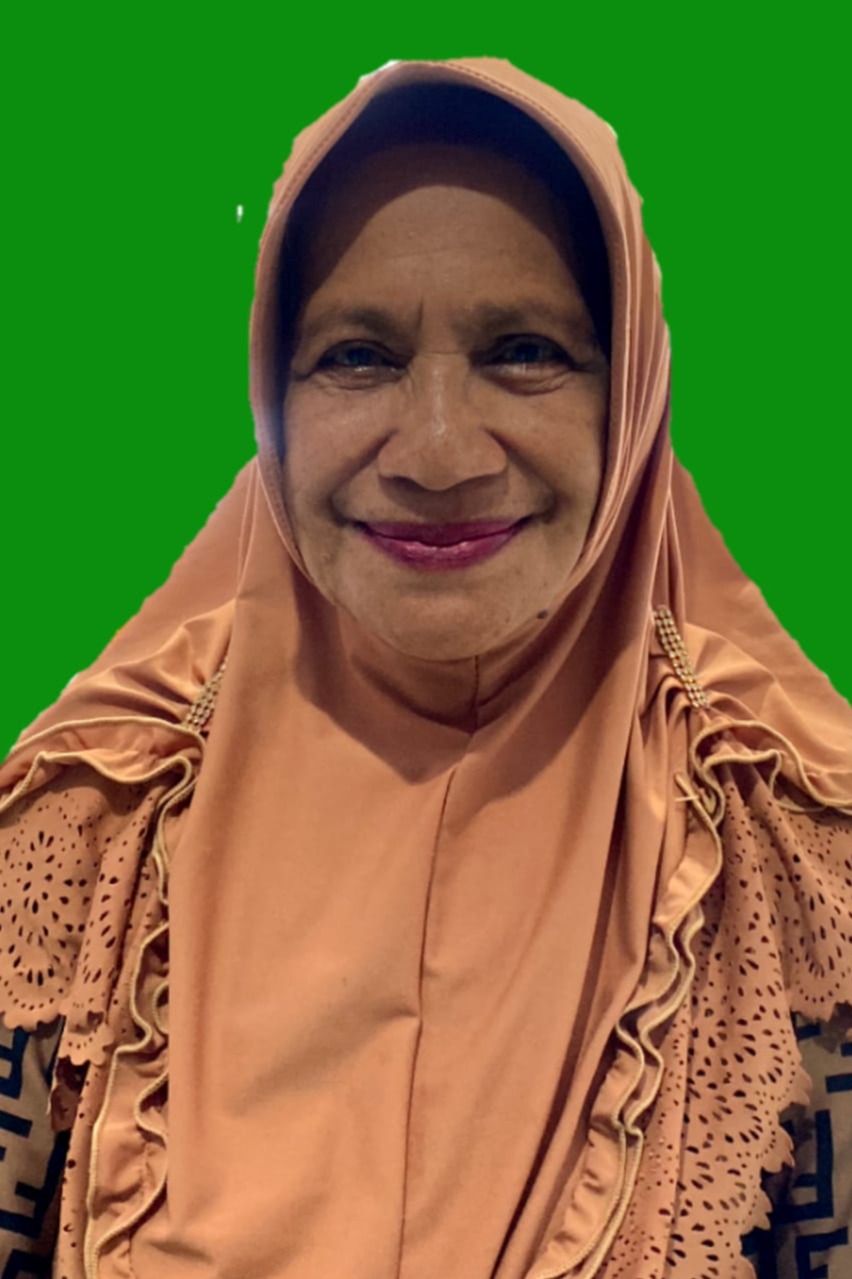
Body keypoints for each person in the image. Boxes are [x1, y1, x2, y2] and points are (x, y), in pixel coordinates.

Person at [1, 55, 851, 1279]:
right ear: (272, 392)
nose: (440, 453)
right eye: (357, 357)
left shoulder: (791, 853)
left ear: (629, 396)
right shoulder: (94, 827)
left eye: (524, 350)